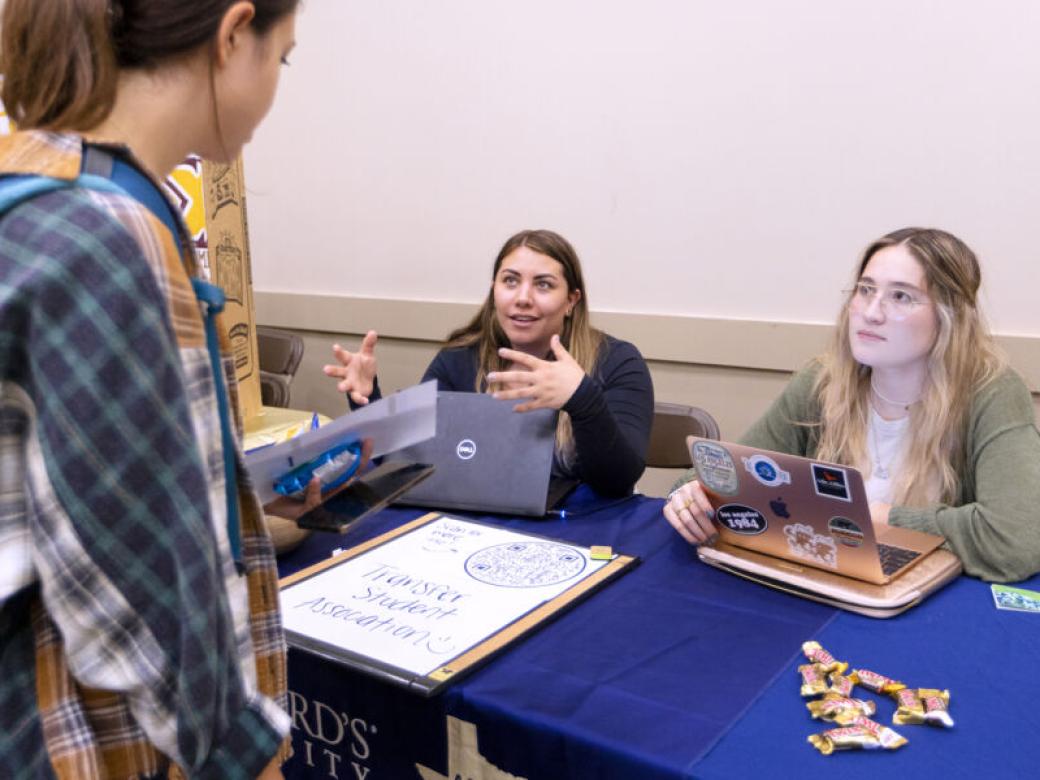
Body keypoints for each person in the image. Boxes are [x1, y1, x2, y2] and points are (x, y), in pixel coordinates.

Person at [0, 2, 357, 777]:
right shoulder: (111, 234)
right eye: (282, 58)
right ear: (233, 37)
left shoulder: (30, 185)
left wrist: (242, 510)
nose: (277, 84)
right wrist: (242, 754)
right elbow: (141, 597)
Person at [664, 227, 1040, 583]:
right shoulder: (822, 381)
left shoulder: (993, 392)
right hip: (828, 585)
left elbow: (1014, 541)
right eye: (865, 290)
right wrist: (692, 497)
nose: (871, 312)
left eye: (901, 296)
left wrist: (879, 518)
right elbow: (723, 480)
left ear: (950, 316)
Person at [324, 229, 655, 497]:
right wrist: (366, 398)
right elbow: (406, 460)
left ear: (571, 301)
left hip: (582, 529)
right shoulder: (459, 358)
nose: (522, 297)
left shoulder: (617, 362)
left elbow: (616, 482)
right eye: (510, 281)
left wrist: (583, 399)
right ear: (494, 290)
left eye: (543, 284)